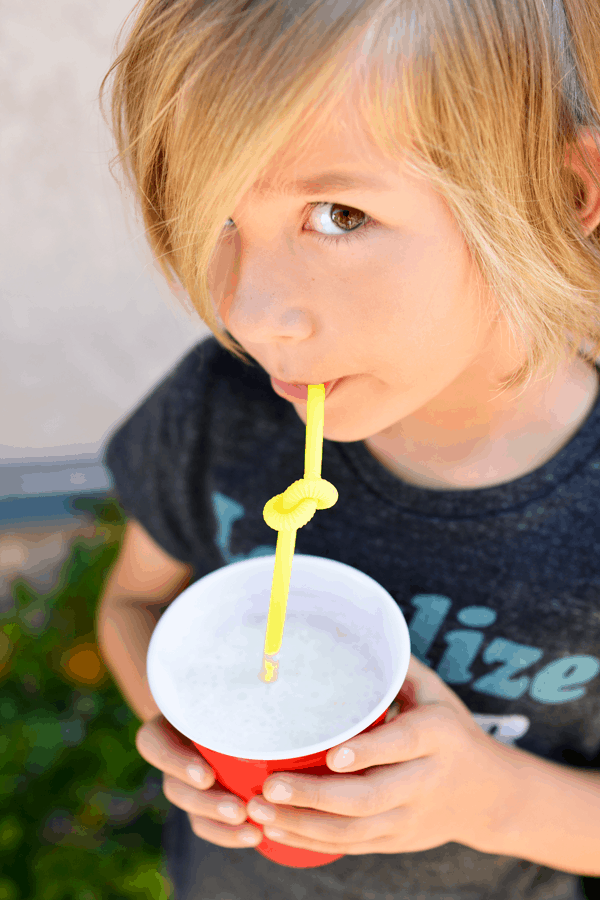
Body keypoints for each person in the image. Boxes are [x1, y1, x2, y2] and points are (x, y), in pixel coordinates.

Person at [95, 0, 600, 896]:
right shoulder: (225, 407)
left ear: (562, 194)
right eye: (219, 214)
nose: (247, 312)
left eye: (339, 214)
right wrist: (189, 735)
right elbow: (135, 605)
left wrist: (494, 798)